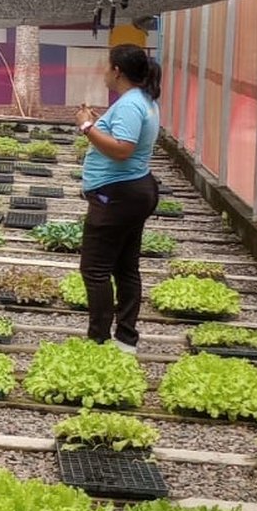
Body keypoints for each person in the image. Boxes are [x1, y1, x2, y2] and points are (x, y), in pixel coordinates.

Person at [76, 44, 162, 354]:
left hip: (117, 195)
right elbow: (123, 140)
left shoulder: (130, 104)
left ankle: (99, 342)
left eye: (107, 65)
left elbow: (123, 149)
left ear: (117, 71)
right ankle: (126, 339)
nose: (104, 71)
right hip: (134, 190)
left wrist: (86, 126)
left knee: (95, 269)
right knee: (125, 267)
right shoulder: (143, 100)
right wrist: (100, 125)